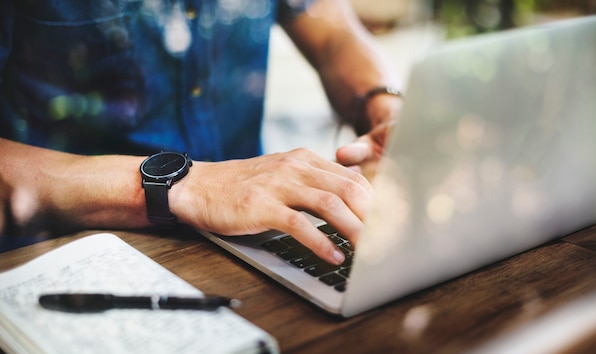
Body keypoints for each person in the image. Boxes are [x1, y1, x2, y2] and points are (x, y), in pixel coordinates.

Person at [0, 0, 403, 264]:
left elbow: (333, 32)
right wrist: (183, 186)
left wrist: (381, 104)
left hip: (255, 238)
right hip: (63, 257)